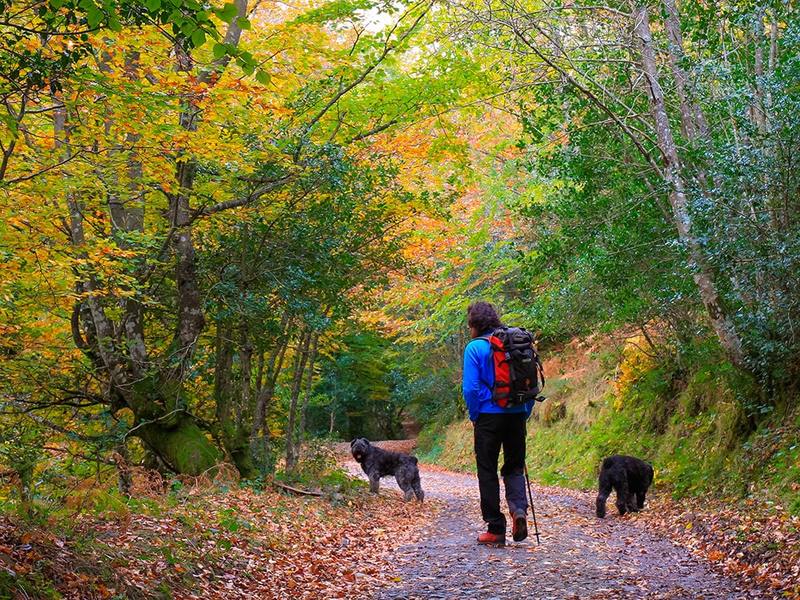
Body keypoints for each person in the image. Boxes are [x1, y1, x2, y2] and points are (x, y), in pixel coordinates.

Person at [463, 301, 534, 545]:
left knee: (487, 470)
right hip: (516, 414)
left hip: (488, 416)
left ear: (473, 324)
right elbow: (529, 382)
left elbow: (471, 389)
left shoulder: (475, 348)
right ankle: (519, 511)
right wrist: (524, 411)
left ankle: (495, 528)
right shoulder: (514, 343)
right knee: (514, 466)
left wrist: (475, 414)